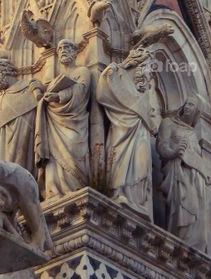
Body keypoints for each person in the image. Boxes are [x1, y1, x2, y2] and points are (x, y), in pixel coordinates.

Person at [97, 52, 160, 218]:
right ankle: (119, 193)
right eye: (146, 70)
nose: (148, 76)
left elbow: (153, 124)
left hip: (141, 137)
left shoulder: (145, 97)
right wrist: (124, 65)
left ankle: (137, 201)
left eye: (151, 74)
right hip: (121, 134)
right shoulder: (123, 83)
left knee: (142, 164)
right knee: (121, 162)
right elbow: (106, 81)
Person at [35, 40, 92, 199]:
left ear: (75, 52)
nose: (63, 51)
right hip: (54, 126)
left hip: (75, 122)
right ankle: (53, 192)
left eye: (67, 47)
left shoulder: (82, 71)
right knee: (53, 160)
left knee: (74, 149)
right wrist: (44, 96)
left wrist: (58, 96)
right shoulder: (54, 80)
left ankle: (75, 189)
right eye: (60, 48)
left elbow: (81, 91)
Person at [157, 98, 210, 250]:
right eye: (187, 103)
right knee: (182, 205)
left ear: (197, 112)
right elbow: (161, 145)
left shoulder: (192, 133)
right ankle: (179, 238)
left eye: (192, 104)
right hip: (178, 172)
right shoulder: (168, 123)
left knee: (196, 210)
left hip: (195, 177)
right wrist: (174, 151)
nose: (187, 106)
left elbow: (196, 157)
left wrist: (204, 173)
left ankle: (193, 244)